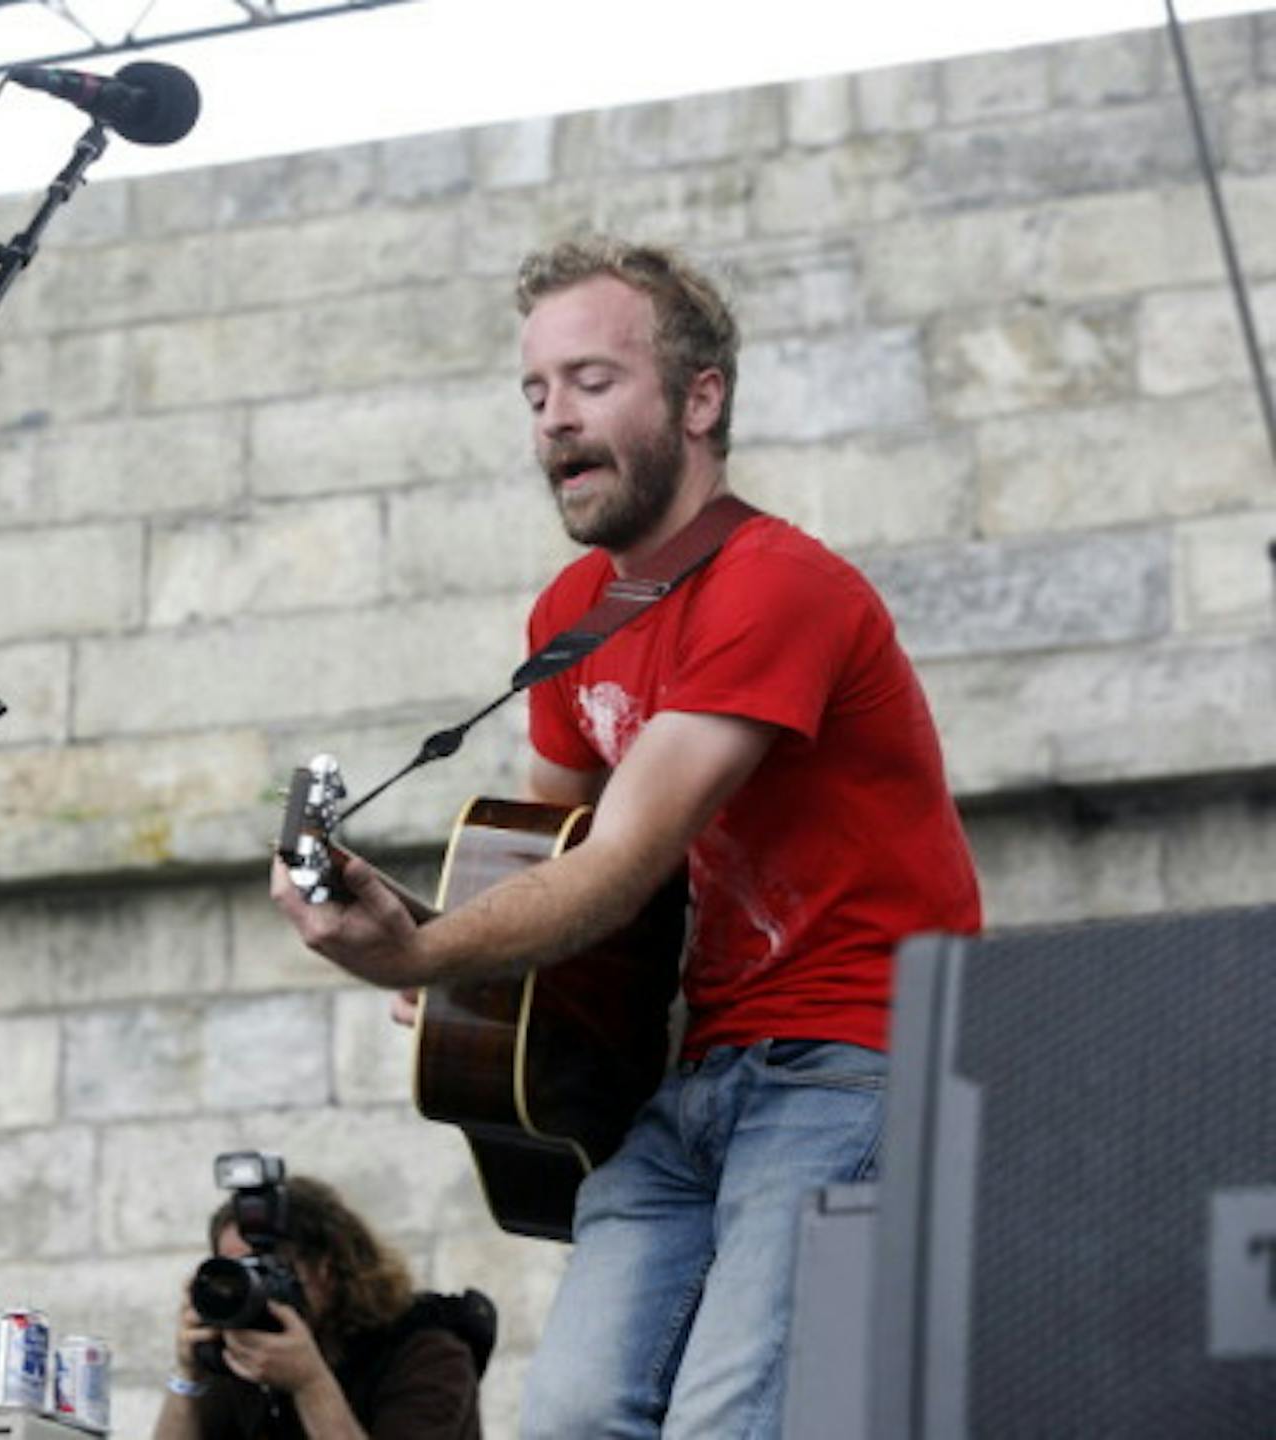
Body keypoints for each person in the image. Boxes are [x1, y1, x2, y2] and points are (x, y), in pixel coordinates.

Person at [271, 238, 982, 1438]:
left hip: (855, 1056)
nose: (554, 421)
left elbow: (622, 861)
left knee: (728, 1421)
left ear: (699, 400)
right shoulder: (569, 619)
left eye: (593, 382)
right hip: (696, 1070)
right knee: (573, 1419)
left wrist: (423, 957)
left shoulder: (780, 585)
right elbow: (543, 861)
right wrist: (461, 950)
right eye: (536, 392)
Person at [155, 1174, 486, 1440]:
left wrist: (310, 1384)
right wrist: (188, 1376)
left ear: (326, 1271)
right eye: (238, 1273)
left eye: (265, 1270)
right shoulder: (239, 1354)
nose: (251, 1290)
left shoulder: (428, 1354)